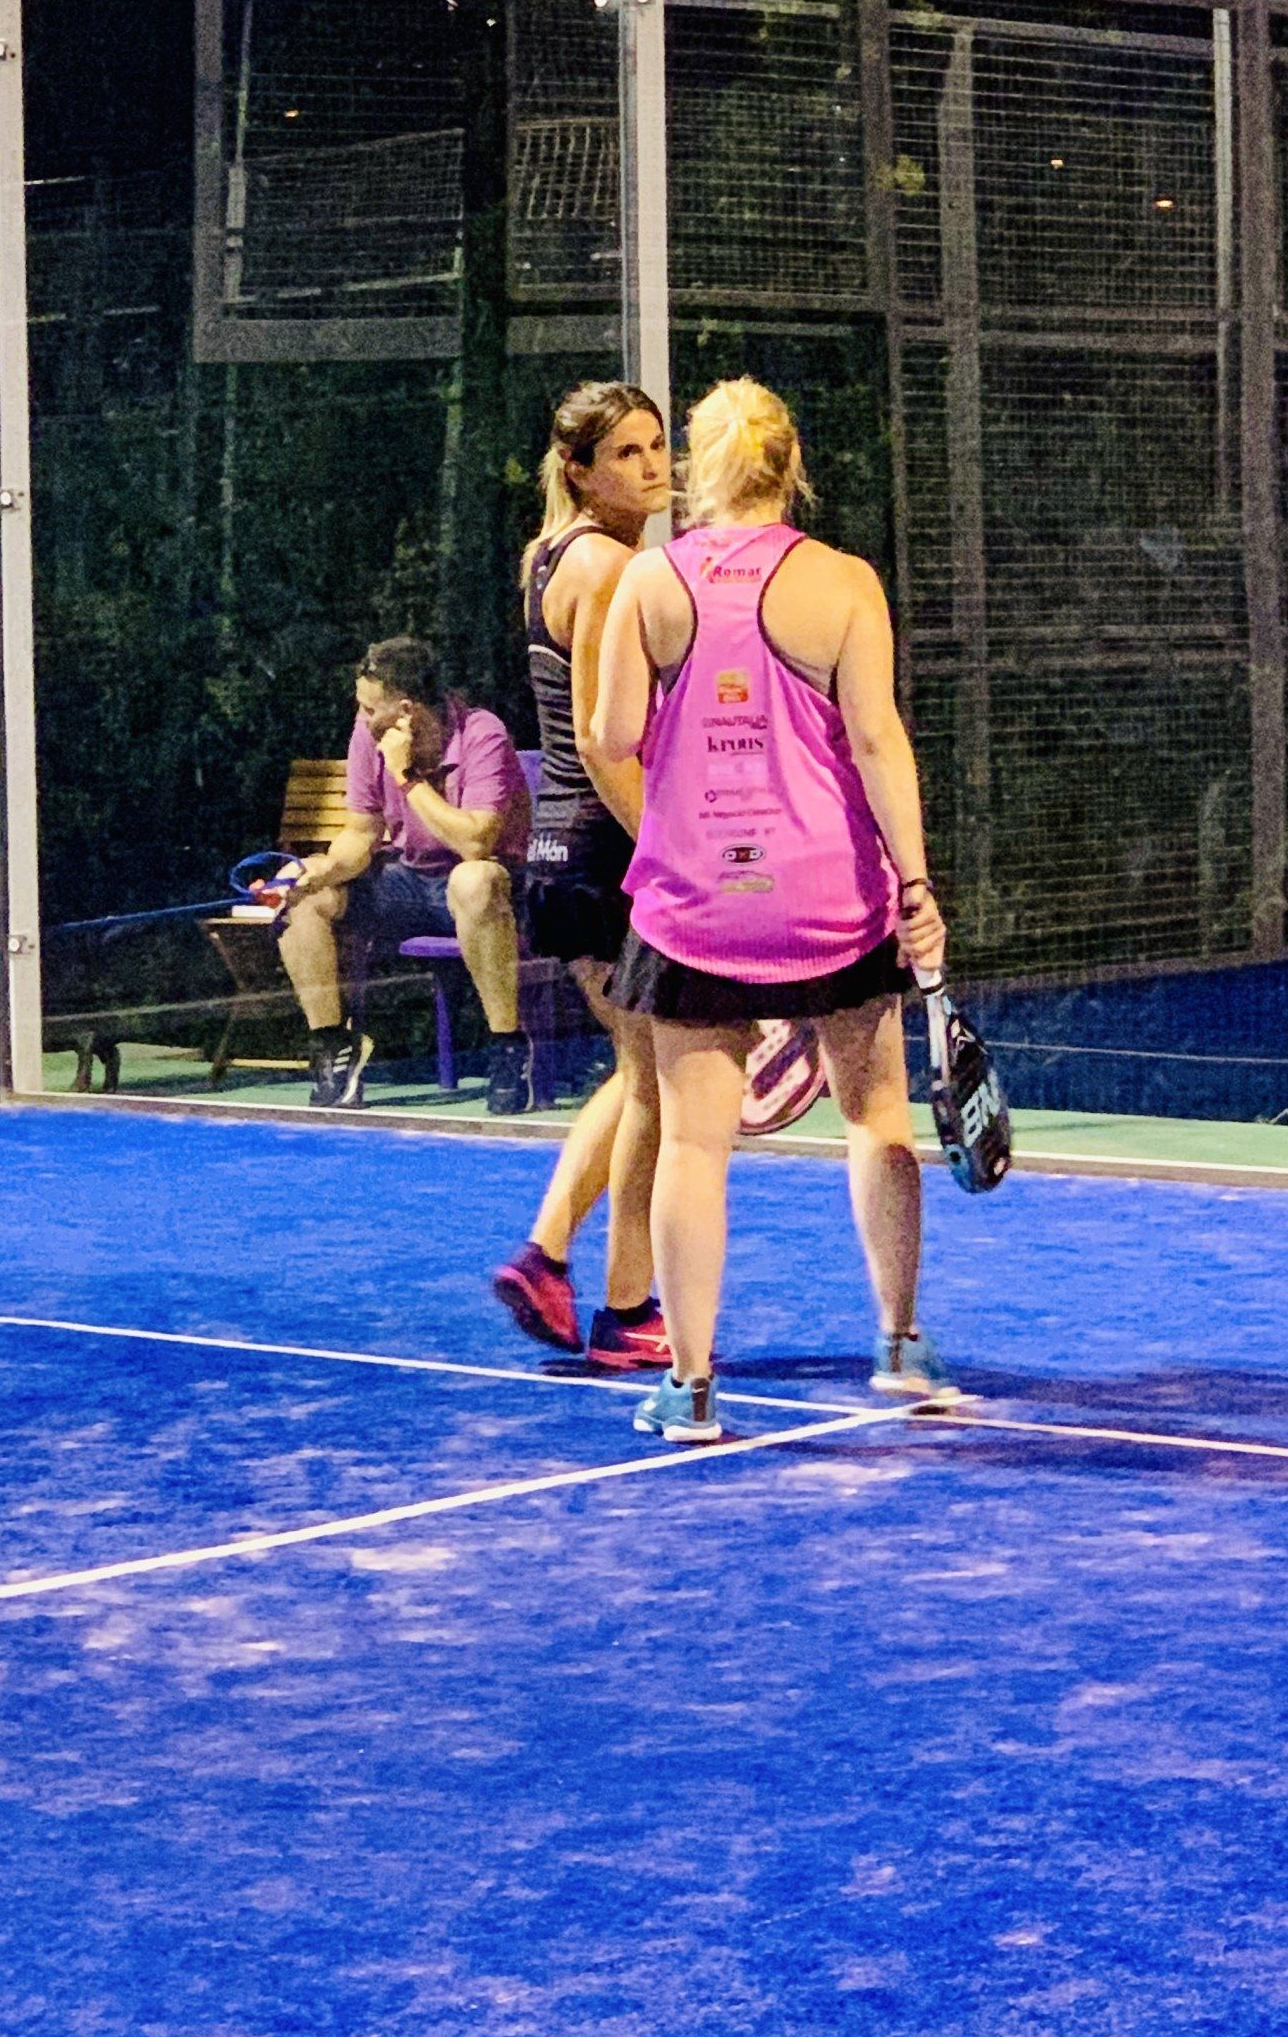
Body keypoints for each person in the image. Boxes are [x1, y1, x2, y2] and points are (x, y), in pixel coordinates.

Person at [592, 377, 966, 1443]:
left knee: (692, 1147)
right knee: (877, 1117)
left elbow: (611, 734)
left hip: (694, 905)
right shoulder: (845, 582)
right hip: (831, 900)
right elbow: (878, 742)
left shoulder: (649, 581)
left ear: (695, 469)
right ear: (791, 465)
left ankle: (691, 1388)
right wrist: (916, 885)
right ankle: (899, 1343)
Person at [491, 381, 674, 1373]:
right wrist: (669, 849)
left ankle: (550, 1258)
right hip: (607, 854)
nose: (652, 468)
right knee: (655, 1090)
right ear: (579, 470)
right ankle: (625, 1308)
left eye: (657, 446)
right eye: (627, 454)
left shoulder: (548, 554)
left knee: (640, 1073)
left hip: (565, 854)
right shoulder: (607, 566)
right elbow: (608, 744)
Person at [277, 636, 533, 1112]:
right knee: (305, 898)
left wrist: (407, 777)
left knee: (473, 879)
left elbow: (475, 843)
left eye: (369, 707)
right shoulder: (367, 735)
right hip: (407, 881)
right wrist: (322, 869)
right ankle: (333, 1047)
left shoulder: (483, 734)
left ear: (406, 711)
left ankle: (508, 1048)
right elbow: (361, 834)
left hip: (489, 891)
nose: (361, 717)